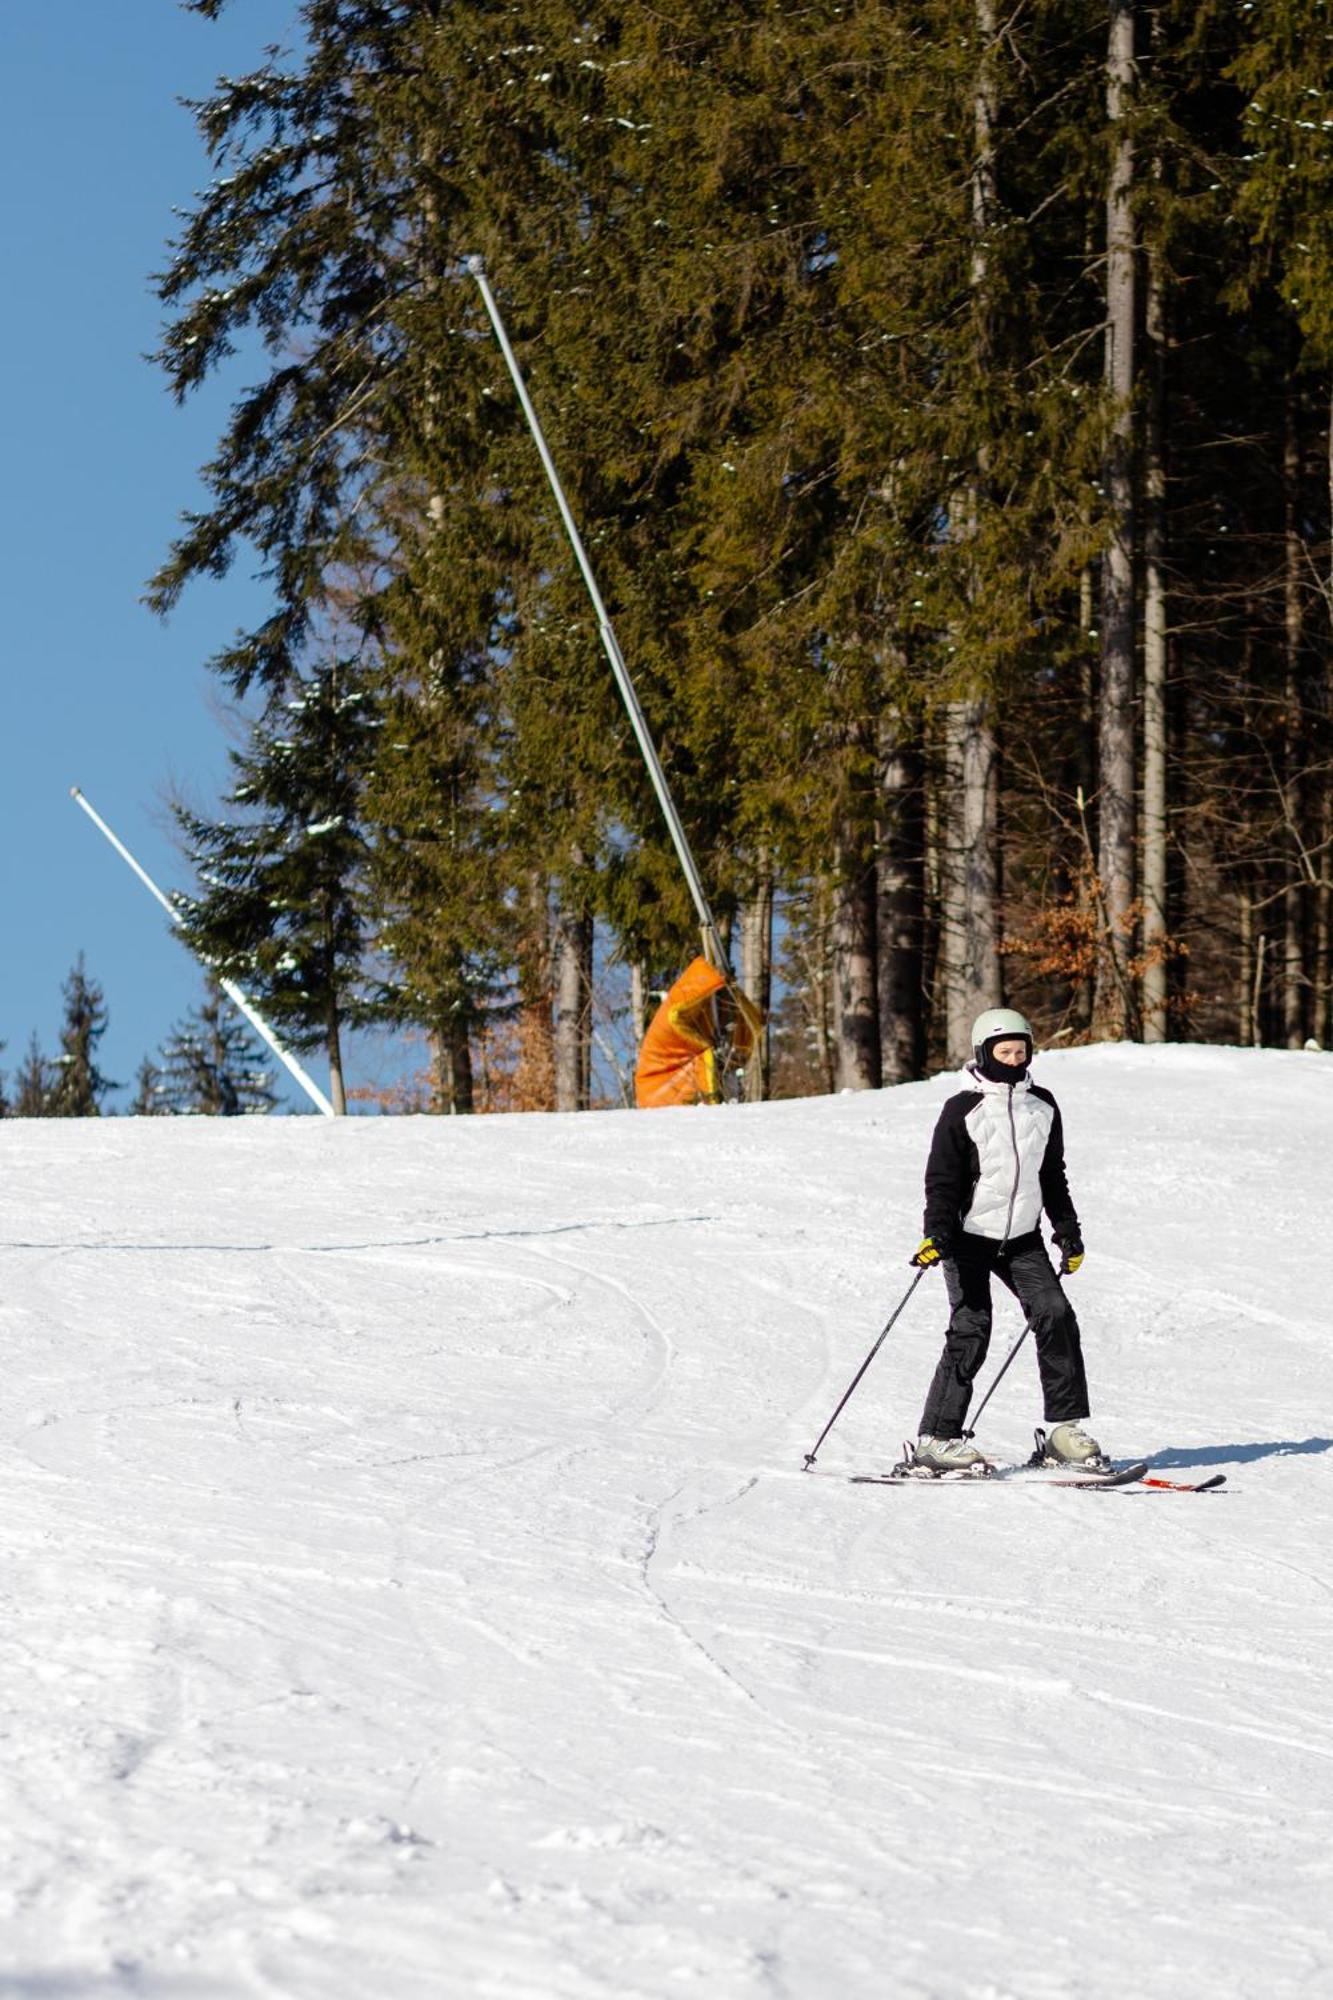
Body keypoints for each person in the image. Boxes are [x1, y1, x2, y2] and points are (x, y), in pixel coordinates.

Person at [906, 1007, 1106, 1476]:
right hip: (968, 1237)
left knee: (1055, 1314)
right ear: (983, 1054)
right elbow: (942, 1181)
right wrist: (936, 1232)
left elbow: (1052, 1175)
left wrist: (1068, 1231)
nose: (1014, 1060)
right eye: (1004, 1052)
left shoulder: (1043, 1104)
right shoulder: (962, 1110)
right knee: (972, 1326)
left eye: (1021, 1051)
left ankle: (1063, 1432)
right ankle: (938, 1438)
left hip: (1022, 1238)